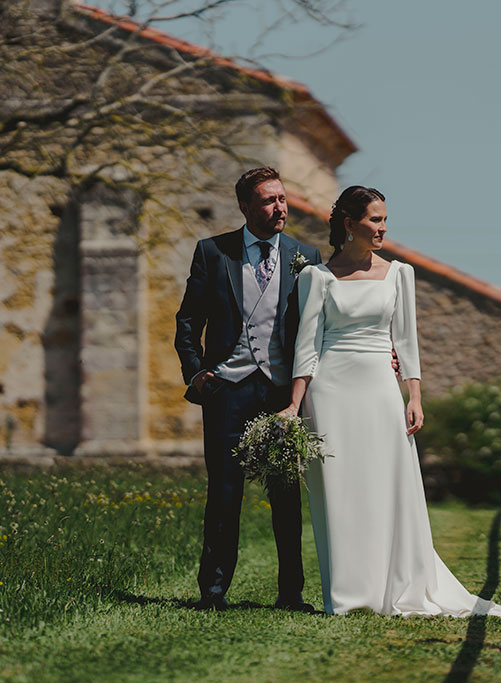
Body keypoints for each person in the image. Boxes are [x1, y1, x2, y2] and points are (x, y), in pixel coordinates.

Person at [280, 186, 501, 620]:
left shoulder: (399, 274)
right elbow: (307, 344)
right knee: (339, 492)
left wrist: (415, 395)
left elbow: (405, 339)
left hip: (380, 388)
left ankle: (399, 586)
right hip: (329, 393)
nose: (382, 228)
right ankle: (349, 595)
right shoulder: (316, 278)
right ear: (349, 224)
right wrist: (294, 406)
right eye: (374, 220)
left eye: (385, 220)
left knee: (387, 486)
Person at [175, 167, 321, 612]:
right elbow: (187, 322)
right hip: (228, 391)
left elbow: (320, 326)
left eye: (282, 199)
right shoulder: (213, 252)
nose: (280, 208)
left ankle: (291, 594)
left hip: (281, 394)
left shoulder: (305, 255)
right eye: (268, 201)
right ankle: (213, 592)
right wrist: (197, 372)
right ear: (245, 207)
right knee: (224, 493)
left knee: (286, 494)